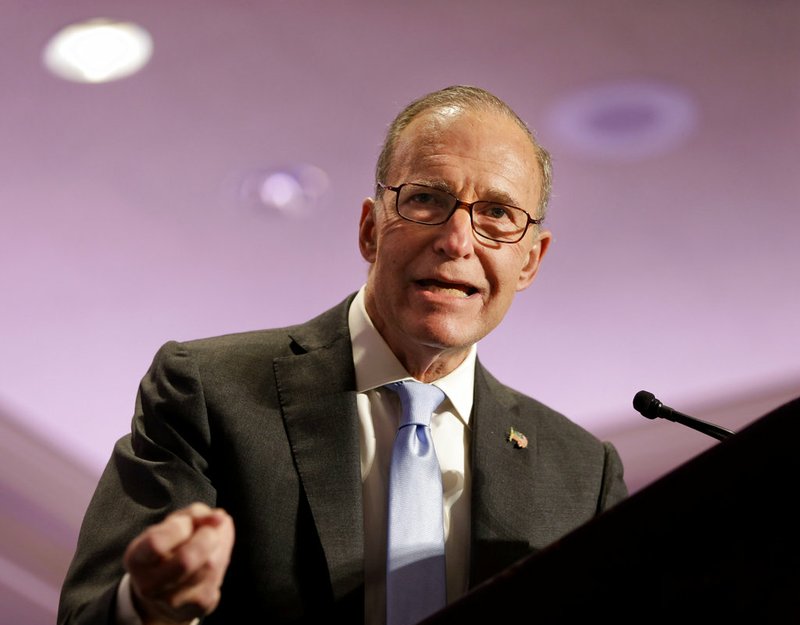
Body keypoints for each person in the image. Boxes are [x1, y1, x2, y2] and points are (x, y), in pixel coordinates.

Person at [58, 85, 628, 625]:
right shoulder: (208, 391)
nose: (457, 240)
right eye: (427, 199)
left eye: (498, 215)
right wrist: (151, 605)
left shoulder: (583, 478)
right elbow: (91, 614)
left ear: (530, 261)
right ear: (370, 230)